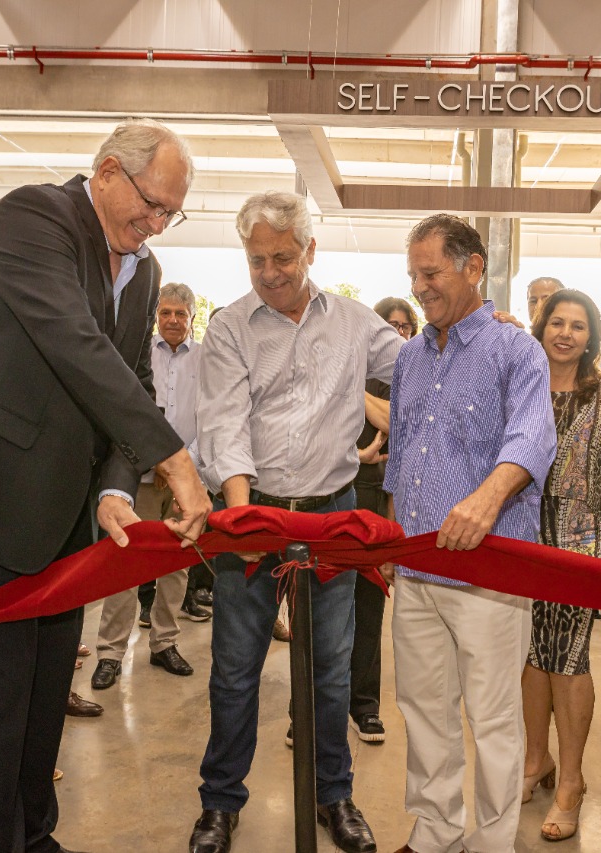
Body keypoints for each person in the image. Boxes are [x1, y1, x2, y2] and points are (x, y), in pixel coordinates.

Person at [0, 119, 211, 853]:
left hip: (65, 523)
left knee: (41, 711)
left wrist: (115, 485)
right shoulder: (32, 217)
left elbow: (128, 380)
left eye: (172, 213)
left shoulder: (145, 271)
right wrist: (175, 461)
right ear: (106, 172)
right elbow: (74, 345)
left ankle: (33, 837)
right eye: (151, 204)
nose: (157, 223)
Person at [191, 190, 401, 853]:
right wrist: (241, 513)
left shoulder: (355, 323)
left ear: (311, 250)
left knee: (332, 670)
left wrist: (482, 336)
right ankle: (220, 804)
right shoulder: (228, 327)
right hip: (252, 512)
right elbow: (223, 422)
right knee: (234, 668)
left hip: (333, 512)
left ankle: (332, 796)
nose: (270, 272)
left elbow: (422, 369)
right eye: (257, 259)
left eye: (283, 257)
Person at [385, 214, 556, 853]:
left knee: (492, 722)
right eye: (414, 275)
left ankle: (490, 844)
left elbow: (533, 435)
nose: (420, 288)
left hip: (488, 573)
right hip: (417, 571)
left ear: (473, 266)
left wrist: (486, 498)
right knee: (424, 713)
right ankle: (435, 834)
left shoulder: (516, 349)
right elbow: (401, 454)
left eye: (430, 273)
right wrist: (392, 545)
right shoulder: (410, 356)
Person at [520, 289, 601, 842]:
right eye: (557, 322)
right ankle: (535, 761)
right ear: (541, 327)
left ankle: (570, 781)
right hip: (519, 532)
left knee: (567, 657)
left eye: (579, 325)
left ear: (592, 336)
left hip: (577, 540)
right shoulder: (521, 383)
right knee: (529, 653)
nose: (566, 333)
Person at [90, 282, 206, 688]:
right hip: (133, 477)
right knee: (124, 563)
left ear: (192, 317)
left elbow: (209, 416)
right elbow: (125, 413)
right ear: (156, 317)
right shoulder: (137, 355)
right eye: (165, 313)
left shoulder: (206, 360)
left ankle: (164, 644)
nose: (172, 320)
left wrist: (180, 466)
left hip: (183, 483)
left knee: (176, 565)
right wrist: (154, 458)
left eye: (180, 313)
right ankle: (110, 653)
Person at [346, 295, 418, 745]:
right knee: (322, 608)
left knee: (369, 604)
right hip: (333, 496)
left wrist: (356, 394)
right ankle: (308, 709)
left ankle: (365, 706)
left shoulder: (411, 381)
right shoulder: (354, 372)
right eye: (388, 325)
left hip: (380, 497)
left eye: (405, 326)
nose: (397, 333)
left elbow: (404, 427)